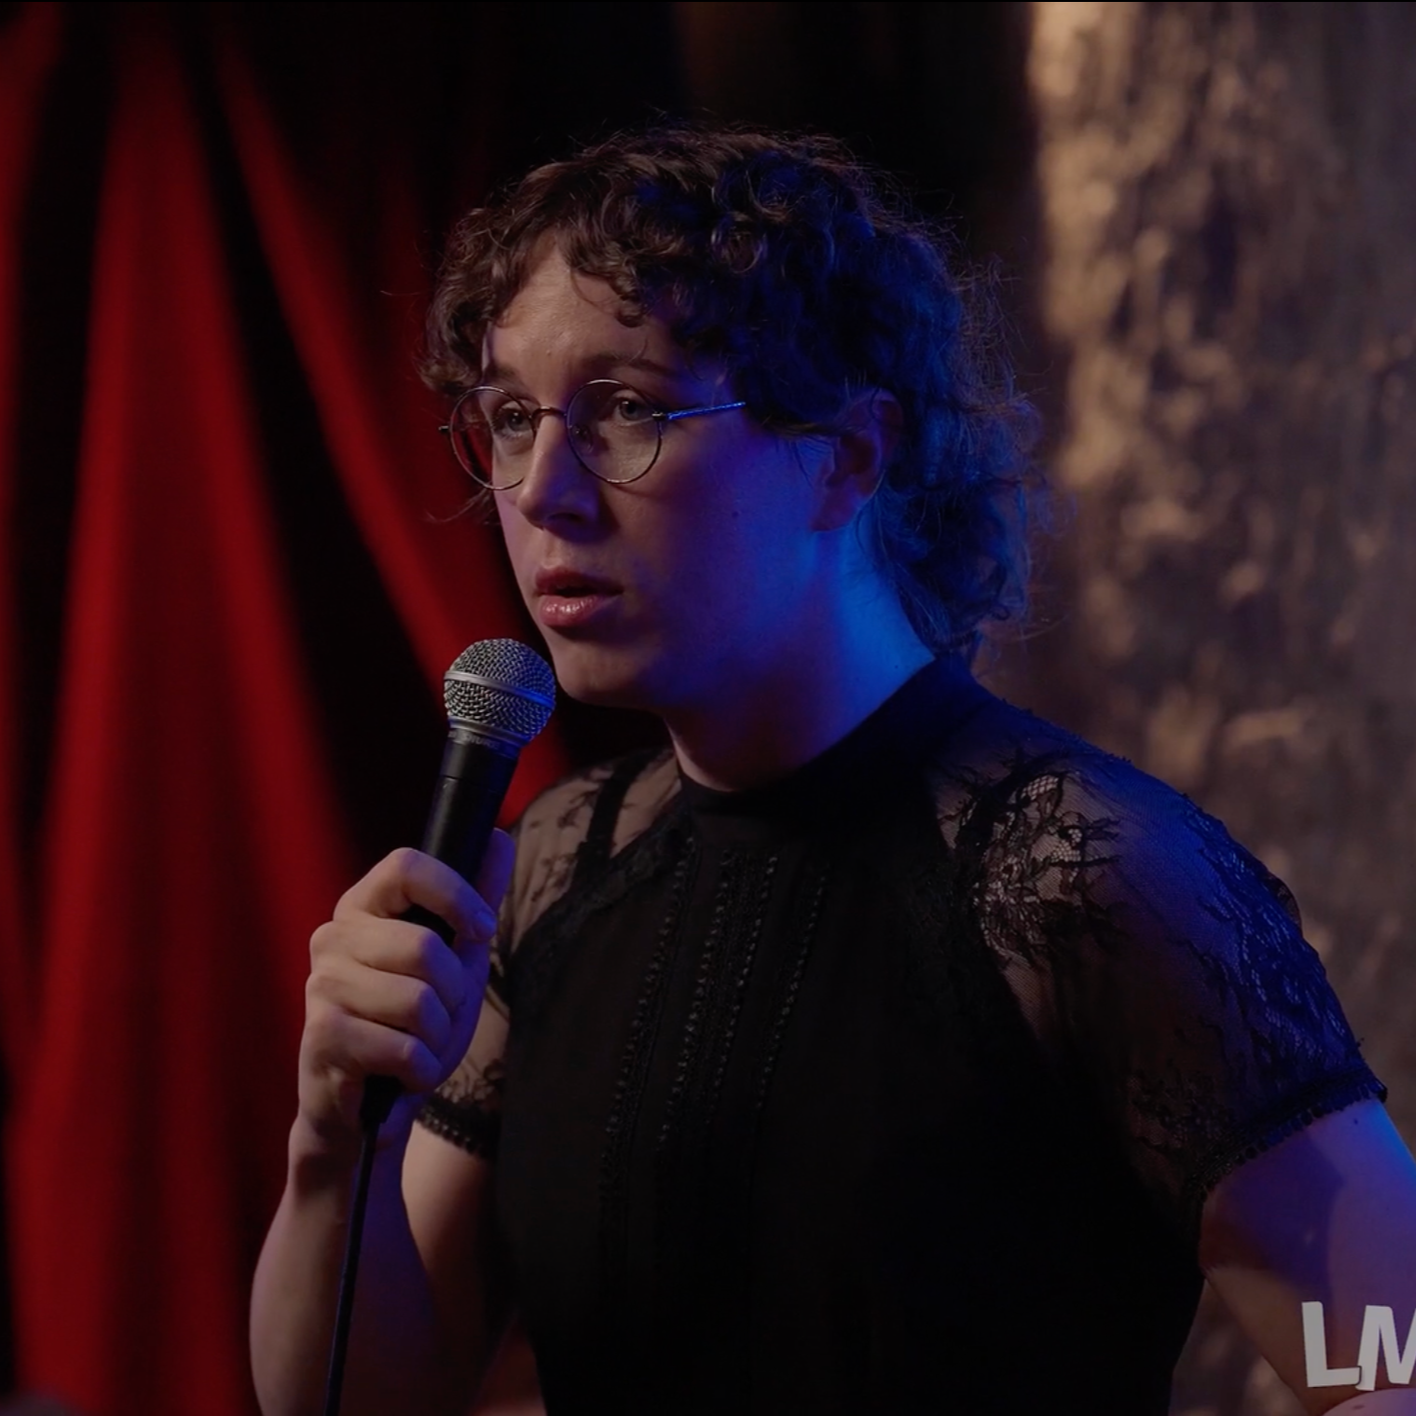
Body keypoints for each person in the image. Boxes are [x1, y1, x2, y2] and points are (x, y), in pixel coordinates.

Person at [250, 125, 1416, 1416]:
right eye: (513, 418)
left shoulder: (1086, 876)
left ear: (851, 453)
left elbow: (1394, 1352)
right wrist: (329, 1150)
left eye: (628, 409)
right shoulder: (561, 868)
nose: (541, 491)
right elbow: (359, 1399)